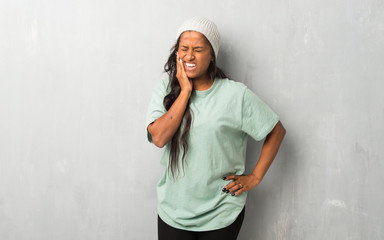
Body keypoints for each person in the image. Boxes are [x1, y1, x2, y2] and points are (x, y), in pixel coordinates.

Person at [146, 16, 286, 240]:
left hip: (220, 213)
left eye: (198, 49)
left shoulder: (235, 95)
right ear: (177, 53)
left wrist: (255, 177)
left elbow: (276, 130)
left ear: (212, 55)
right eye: (184, 48)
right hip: (173, 211)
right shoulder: (165, 88)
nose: (189, 55)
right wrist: (184, 92)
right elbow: (159, 138)